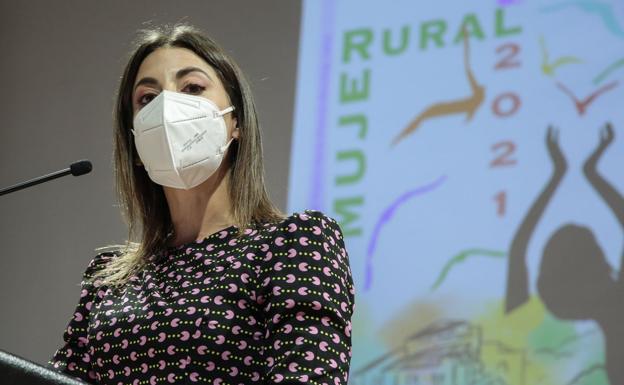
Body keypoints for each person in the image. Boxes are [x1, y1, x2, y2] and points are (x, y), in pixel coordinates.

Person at [46, 23, 355, 385]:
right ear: (135, 142)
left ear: (235, 121)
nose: (167, 108)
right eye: (147, 98)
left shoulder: (295, 243)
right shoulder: (109, 278)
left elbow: (308, 376)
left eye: (192, 88)